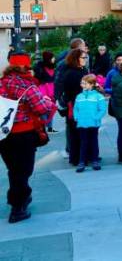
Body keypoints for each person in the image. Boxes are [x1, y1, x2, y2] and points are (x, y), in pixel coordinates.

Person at [0, 53, 56, 223]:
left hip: (3, 134)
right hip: (23, 134)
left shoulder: (1, 83)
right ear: (25, 67)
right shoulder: (27, 87)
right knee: (23, 170)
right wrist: (47, 101)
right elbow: (40, 108)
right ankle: (18, 207)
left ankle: (21, 197)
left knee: (14, 169)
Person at [73, 74, 107, 172]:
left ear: (91, 84)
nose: (82, 84)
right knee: (83, 143)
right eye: (82, 83)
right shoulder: (79, 96)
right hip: (82, 124)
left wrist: (96, 118)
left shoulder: (98, 96)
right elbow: (76, 108)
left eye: (84, 83)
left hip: (93, 123)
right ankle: (81, 162)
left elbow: (102, 109)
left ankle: (95, 160)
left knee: (94, 142)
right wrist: (77, 117)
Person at [60, 49, 89, 166]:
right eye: (83, 58)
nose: (85, 60)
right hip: (76, 106)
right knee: (77, 134)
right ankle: (78, 158)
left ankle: (81, 156)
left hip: (80, 105)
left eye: (86, 58)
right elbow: (73, 92)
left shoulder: (82, 70)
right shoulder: (72, 73)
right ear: (76, 59)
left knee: (80, 133)